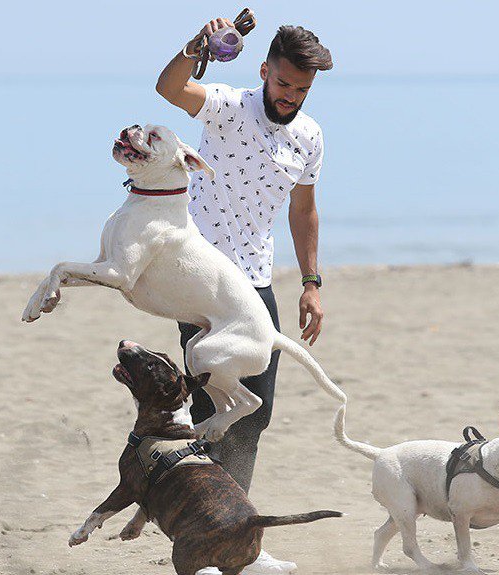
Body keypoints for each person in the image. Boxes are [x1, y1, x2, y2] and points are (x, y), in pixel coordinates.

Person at [156, 17, 333, 574]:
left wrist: (311, 283)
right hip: (202, 276)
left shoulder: (309, 136)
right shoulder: (228, 105)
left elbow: (302, 211)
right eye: (284, 85)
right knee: (213, 408)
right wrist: (197, 46)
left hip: (255, 284)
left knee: (254, 416)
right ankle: (205, 540)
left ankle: (231, 533)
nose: (291, 97)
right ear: (264, 72)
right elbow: (169, 89)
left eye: (302, 90)